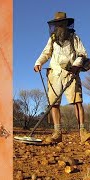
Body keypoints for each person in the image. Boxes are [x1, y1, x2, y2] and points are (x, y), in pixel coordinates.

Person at [34, 12, 90, 144]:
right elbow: (46, 53)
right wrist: (38, 63)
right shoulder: (52, 39)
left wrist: (76, 66)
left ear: (66, 24)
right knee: (54, 103)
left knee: (77, 101)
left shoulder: (74, 37)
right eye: (58, 24)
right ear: (55, 25)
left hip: (71, 73)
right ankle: (57, 133)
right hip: (54, 73)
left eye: (62, 23)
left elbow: (82, 54)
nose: (60, 26)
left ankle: (82, 132)